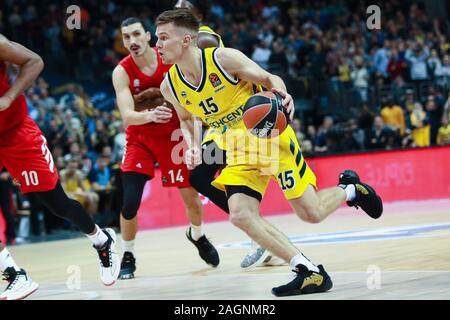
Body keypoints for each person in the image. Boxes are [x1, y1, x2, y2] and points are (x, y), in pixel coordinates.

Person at [156, 9, 383, 296]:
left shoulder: (224, 59)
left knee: (311, 213)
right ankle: (308, 271)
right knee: (239, 214)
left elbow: (270, 79)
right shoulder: (169, 85)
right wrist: (191, 147)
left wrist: (282, 95)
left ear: (186, 39)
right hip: (236, 148)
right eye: (157, 38)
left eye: (163, 38)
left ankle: (350, 189)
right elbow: (187, 119)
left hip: (269, 137)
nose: (158, 45)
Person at [0, 33, 120, 300]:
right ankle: (14, 274)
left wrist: (8, 97)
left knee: (57, 204)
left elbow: (34, 61)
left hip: (16, 133)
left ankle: (102, 240)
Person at [112, 17, 219, 280]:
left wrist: (194, 139)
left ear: (148, 36)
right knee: (129, 203)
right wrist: (151, 115)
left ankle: (197, 235)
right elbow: (127, 115)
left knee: (191, 200)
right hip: (140, 139)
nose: (132, 41)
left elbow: (187, 105)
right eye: (126, 37)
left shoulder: (168, 60)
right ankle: (128, 254)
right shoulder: (122, 71)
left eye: (136, 34)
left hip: (173, 136)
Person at [174, 0, 268, 268]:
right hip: (219, 127)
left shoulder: (203, 38)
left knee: (216, 178)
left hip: (239, 123)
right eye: (176, 7)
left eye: (185, 8)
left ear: (199, 16)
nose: (179, 12)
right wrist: (195, 140)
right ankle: (259, 234)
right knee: (201, 176)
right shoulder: (184, 50)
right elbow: (193, 103)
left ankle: (260, 235)